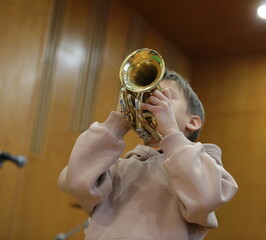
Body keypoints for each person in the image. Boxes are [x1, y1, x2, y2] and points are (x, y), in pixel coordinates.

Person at [58, 69, 238, 240]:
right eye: (145, 95)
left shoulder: (204, 163)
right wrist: (116, 123)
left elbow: (205, 198)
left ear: (192, 122)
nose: (150, 100)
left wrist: (169, 130)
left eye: (165, 95)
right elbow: (76, 181)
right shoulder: (117, 168)